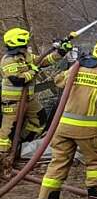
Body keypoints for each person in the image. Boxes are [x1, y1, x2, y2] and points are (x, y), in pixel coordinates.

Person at [39, 39, 97, 199]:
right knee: (95, 164)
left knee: (58, 163)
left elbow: (57, 81)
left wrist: (76, 66)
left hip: (62, 128)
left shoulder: (76, 68)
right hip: (88, 130)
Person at [1, 27, 71, 156]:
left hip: (29, 99)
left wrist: (61, 52)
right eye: (25, 42)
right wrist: (33, 71)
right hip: (12, 102)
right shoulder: (8, 61)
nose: (26, 45)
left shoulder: (26, 56)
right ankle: (3, 155)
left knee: (39, 119)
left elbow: (44, 61)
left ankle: (20, 145)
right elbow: (17, 80)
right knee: (7, 132)